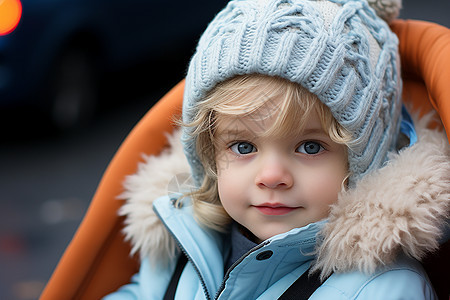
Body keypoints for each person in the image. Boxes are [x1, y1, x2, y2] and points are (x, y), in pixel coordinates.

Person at [104, 0, 449, 299]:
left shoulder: (381, 289)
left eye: (310, 147)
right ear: (209, 153)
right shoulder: (182, 246)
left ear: (364, 160)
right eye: (243, 146)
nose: (271, 176)